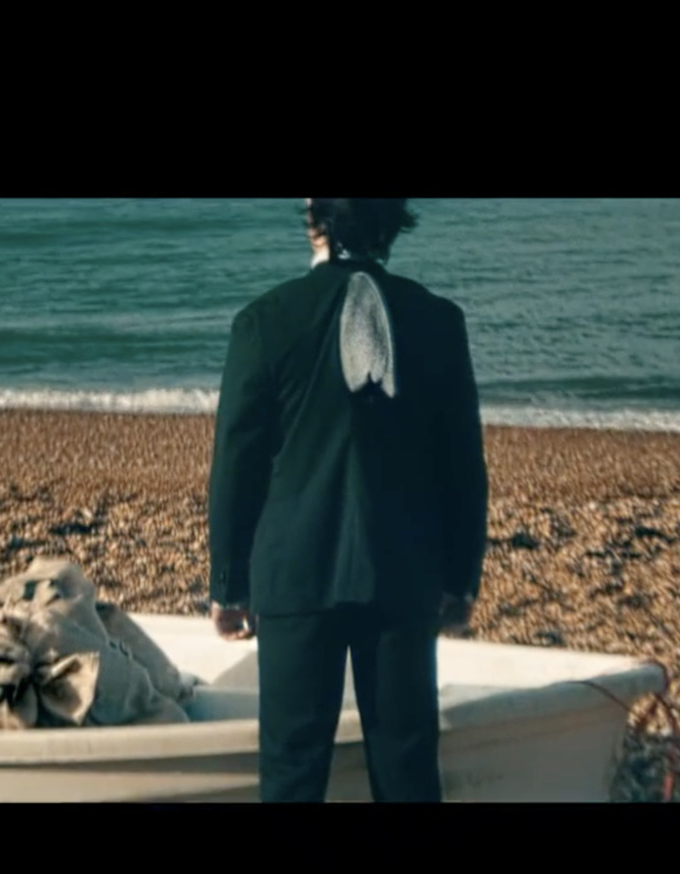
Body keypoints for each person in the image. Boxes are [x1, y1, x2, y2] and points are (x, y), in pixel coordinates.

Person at [207, 198, 489, 803]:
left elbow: (237, 467)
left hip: (293, 573)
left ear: (314, 218)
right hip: (404, 568)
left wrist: (228, 585)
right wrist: (462, 579)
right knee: (407, 765)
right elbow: (463, 466)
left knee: (291, 768)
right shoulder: (438, 320)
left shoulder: (264, 321)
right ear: (392, 222)